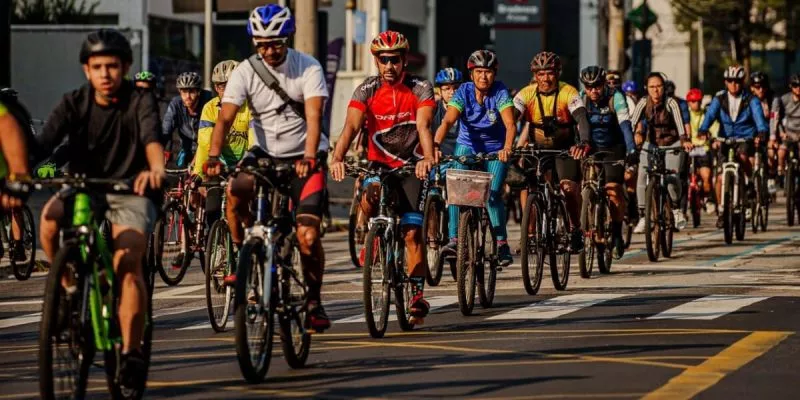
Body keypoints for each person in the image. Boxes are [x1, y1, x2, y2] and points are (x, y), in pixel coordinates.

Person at [35, 29, 165, 390]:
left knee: (127, 262)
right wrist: (17, 170)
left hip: (131, 188)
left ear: (125, 67)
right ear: (86, 70)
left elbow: (152, 139)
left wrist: (155, 168)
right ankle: (70, 289)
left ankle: (132, 352)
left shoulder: (140, 101)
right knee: (47, 223)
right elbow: (43, 143)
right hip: (83, 189)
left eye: (112, 66)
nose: (105, 74)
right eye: (97, 67)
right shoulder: (73, 102)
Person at [205, 4, 331, 331]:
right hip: (263, 153)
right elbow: (226, 117)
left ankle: (314, 300)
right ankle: (242, 254)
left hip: (305, 157)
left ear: (287, 38)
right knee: (233, 192)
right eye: (261, 44)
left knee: (306, 234)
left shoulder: (308, 67)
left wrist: (307, 156)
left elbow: (315, 117)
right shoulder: (246, 72)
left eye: (275, 43)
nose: (269, 50)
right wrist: (214, 157)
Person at [329, 30, 436, 325]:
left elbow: (425, 126)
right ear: (376, 61)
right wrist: (337, 159)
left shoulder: (421, 88)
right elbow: (350, 128)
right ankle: (372, 240)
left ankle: (416, 294)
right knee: (369, 191)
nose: (389, 66)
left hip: (412, 167)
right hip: (379, 165)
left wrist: (427, 159)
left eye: (395, 60)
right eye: (383, 60)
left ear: (404, 60)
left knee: (412, 233)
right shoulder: (366, 89)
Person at [433, 50, 516, 266]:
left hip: (496, 149)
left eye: (488, 72)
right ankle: (454, 239)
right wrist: (434, 145)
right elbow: (448, 121)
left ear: (494, 73)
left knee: (492, 194)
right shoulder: (463, 92)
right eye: (479, 72)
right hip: (467, 145)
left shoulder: (500, 92)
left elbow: (510, 124)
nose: (483, 77)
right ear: (472, 74)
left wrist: (507, 147)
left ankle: (501, 243)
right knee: (456, 191)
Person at [513, 51, 591, 252]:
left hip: (564, 148)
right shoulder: (526, 93)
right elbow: (511, 118)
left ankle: (575, 228)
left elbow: (581, 118)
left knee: (568, 188)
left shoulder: (569, 92)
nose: (545, 78)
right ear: (535, 76)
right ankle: (529, 235)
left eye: (549, 73)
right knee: (528, 188)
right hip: (537, 149)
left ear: (557, 73)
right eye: (540, 74)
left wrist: (583, 142)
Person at [576, 66, 636, 258]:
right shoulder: (580, 98)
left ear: (604, 84)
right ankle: (587, 218)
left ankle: (617, 232)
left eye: (597, 86)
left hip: (614, 147)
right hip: (590, 147)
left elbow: (626, 126)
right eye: (589, 87)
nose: (593, 91)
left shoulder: (616, 97)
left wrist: (632, 149)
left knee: (614, 189)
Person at [699, 65, 769, 228]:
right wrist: (704, 129)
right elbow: (710, 115)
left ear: (742, 81)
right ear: (725, 82)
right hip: (725, 139)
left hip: (745, 138)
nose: (734, 84)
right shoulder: (719, 99)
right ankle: (723, 211)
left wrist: (761, 132)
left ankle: (750, 182)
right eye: (730, 81)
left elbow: (759, 118)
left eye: (737, 81)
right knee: (720, 177)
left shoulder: (751, 99)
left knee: (744, 157)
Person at [630, 72, 691, 233]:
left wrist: (684, 141)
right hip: (651, 145)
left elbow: (679, 124)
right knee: (642, 175)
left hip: (672, 143)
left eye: (659, 86)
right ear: (646, 88)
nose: (656, 90)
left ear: (664, 88)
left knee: (672, 177)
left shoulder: (671, 103)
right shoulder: (643, 102)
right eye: (652, 87)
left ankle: (677, 209)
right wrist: (630, 141)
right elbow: (632, 122)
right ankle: (643, 216)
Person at [194, 60, 253, 225]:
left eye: (231, 85)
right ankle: (216, 246)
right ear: (215, 88)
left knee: (251, 210)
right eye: (220, 86)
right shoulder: (209, 108)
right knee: (211, 211)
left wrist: (248, 167)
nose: (226, 91)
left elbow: (254, 142)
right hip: (219, 165)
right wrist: (198, 174)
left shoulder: (251, 107)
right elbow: (205, 144)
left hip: (245, 165)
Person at [162, 71, 213, 168]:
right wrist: (161, 151)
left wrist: (197, 159)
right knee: (182, 174)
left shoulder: (208, 104)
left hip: (207, 148)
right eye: (184, 92)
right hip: (187, 148)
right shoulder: (176, 104)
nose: (188, 96)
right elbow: (166, 130)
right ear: (179, 92)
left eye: (192, 91)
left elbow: (208, 138)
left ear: (198, 92)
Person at [686, 88, 719, 214]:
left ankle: (707, 198)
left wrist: (714, 138)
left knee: (706, 176)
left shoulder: (707, 113)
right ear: (689, 102)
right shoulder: (686, 115)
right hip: (689, 149)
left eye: (698, 101)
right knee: (683, 176)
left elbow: (715, 127)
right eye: (693, 101)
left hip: (703, 148)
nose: (696, 104)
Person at [772, 74, 800, 188]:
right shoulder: (784, 99)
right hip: (787, 133)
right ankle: (781, 173)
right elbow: (776, 117)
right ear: (790, 86)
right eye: (795, 85)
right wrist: (780, 132)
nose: (798, 88)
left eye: (799, 85)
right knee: (781, 152)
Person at [433, 67, 464, 155]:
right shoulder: (434, 109)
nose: (452, 92)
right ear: (439, 91)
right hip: (441, 158)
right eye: (447, 88)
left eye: (456, 88)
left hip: (464, 158)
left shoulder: (468, 109)